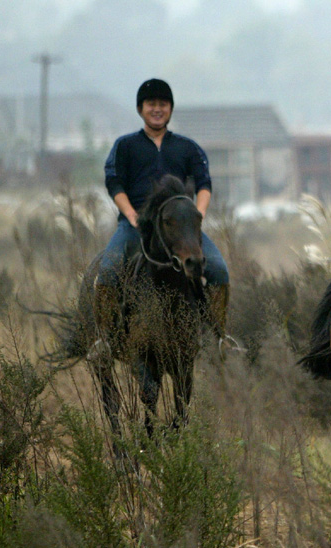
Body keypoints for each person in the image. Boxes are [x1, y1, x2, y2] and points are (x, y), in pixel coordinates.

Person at [93, 78, 230, 353]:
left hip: (182, 229)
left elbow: (204, 184)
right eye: (151, 104)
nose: (157, 109)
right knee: (107, 271)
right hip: (135, 227)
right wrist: (131, 214)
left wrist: (198, 215)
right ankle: (104, 342)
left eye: (163, 104)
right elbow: (114, 183)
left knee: (218, 270)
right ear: (140, 109)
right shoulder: (125, 145)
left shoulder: (188, 148)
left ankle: (220, 339)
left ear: (170, 108)